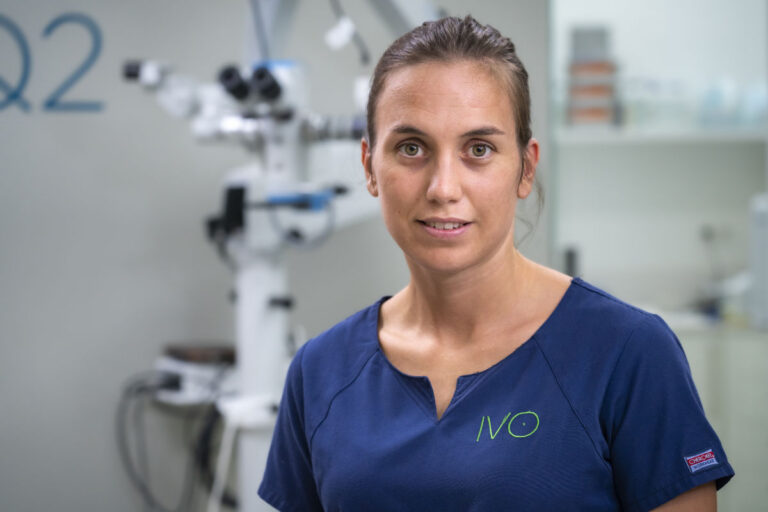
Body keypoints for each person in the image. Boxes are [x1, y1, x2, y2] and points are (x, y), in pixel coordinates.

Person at [258, 15, 734, 511]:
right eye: (411, 148)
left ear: (525, 168)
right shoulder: (321, 371)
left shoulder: (626, 353)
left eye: (478, 149)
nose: (443, 188)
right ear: (369, 167)